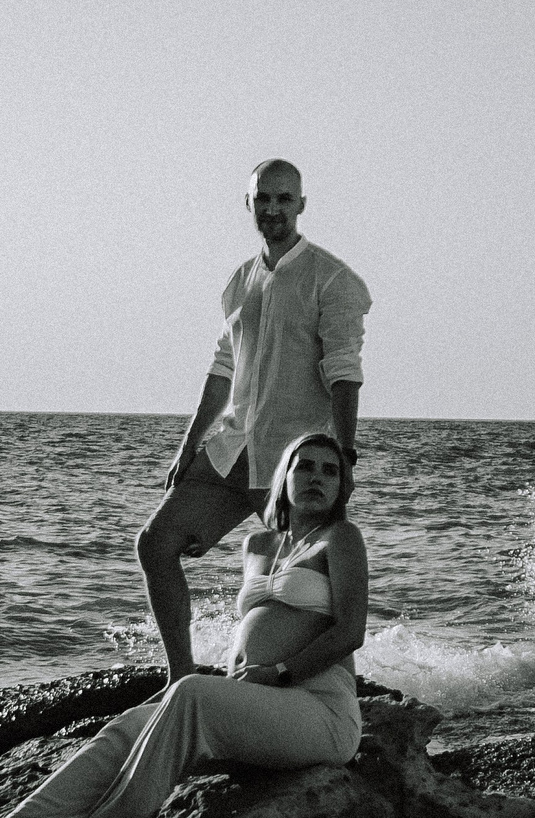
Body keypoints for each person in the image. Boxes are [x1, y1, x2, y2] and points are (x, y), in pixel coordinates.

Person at [0, 433, 368, 818]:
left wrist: (279, 673)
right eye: (305, 466)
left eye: (330, 471)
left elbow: (350, 632)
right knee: (127, 727)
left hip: (320, 711)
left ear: (342, 487)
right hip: (260, 706)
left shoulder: (341, 538)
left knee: (188, 693)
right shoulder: (259, 545)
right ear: (283, 476)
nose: (316, 478)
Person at [139, 158, 371, 679]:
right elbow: (222, 370)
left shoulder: (333, 280)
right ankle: (181, 679)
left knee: (309, 580)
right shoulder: (239, 282)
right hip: (232, 450)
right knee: (155, 544)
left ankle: (321, 685)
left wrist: (345, 457)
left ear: (301, 205)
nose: (272, 209)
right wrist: (188, 445)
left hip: (293, 462)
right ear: (249, 204)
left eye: (284, 199)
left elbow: (345, 374)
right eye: (262, 199)